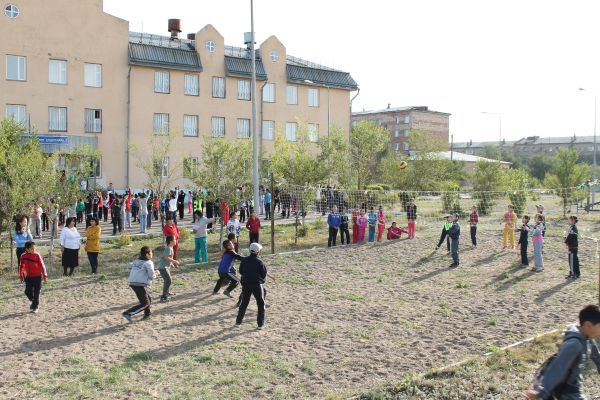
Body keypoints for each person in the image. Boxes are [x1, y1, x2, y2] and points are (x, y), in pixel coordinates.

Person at [522, 304, 600, 400]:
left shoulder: (586, 337)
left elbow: (596, 355)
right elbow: (558, 367)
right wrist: (543, 392)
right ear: (588, 325)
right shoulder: (574, 345)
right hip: (567, 393)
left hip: (573, 389)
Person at [236, 243, 268, 330]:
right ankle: (260, 324)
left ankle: (238, 322)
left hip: (245, 283)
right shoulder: (260, 262)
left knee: (244, 302)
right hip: (256, 284)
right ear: (258, 252)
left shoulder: (244, 260)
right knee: (260, 303)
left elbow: (241, 271)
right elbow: (263, 274)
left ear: (250, 250)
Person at [122, 246, 156, 321]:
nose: (152, 254)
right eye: (151, 252)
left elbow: (130, 266)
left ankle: (147, 314)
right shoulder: (149, 262)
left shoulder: (137, 260)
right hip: (139, 284)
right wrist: (156, 273)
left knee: (148, 299)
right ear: (147, 254)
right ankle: (127, 313)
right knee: (145, 303)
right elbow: (151, 275)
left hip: (133, 282)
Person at [19, 241, 48, 313]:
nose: (34, 250)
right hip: (29, 277)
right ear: (27, 249)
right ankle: (34, 301)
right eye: (32, 248)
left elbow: (42, 265)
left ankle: (35, 307)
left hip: (38, 277)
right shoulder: (23, 256)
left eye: (35, 248)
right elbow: (21, 266)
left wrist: (45, 275)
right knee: (27, 291)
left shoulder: (37, 255)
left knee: (36, 292)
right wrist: (21, 275)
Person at [158, 236, 180, 303]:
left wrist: (171, 264)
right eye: (175, 239)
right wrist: (174, 261)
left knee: (167, 280)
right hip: (163, 268)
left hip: (165, 267)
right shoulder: (168, 249)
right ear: (171, 242)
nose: (176, 240)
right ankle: (163, 297)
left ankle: (167, 292)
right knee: (168, 280)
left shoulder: (170, 248)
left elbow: (167, 258)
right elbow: (166, 257)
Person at [565, 215, 580, 280]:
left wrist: (566, 241)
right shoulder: (572, 227)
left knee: (572, 260)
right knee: (574, 260)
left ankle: (573, 274)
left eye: (569, 219)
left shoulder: (573, 228)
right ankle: (576, 273)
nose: (568, 221)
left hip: (572, 247)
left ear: (573, 220)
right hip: (573, 246)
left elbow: (570, 237)